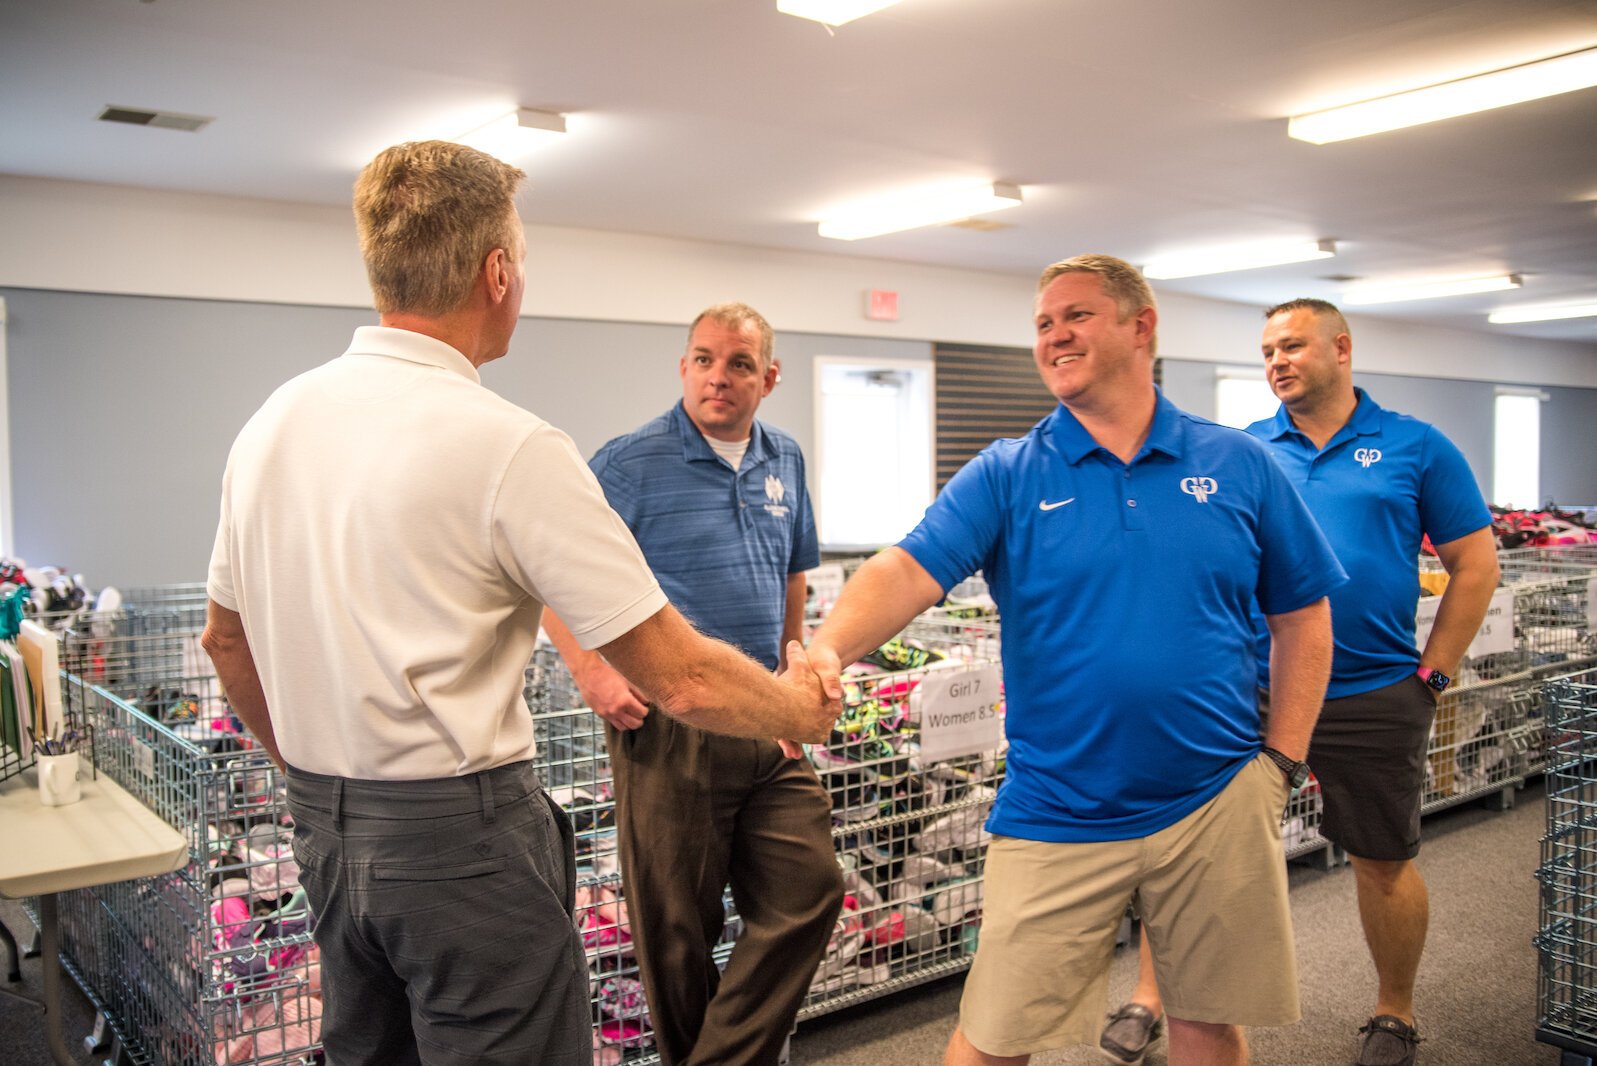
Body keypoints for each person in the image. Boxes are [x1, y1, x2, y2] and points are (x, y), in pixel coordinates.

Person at [200, 141, 839, 1066]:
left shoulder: (272, 424)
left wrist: (321, 784)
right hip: (460, 837)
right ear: (497, 271)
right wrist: (803, 706)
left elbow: (226, 642)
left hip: (327, 831)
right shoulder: (509, 444)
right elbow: (683, 678)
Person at [807, 254, 1344, 1066]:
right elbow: (905, 570)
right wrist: (825, 650)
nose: (1054, 335)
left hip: (1214, 796)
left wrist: (1281, 762)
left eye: (1076, 316)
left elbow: (1303, 615)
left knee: (1207, 1022)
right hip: (1056, 806)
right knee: (992, 1037)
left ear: (1140, 326)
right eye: (1042, 324)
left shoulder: (1237, 463)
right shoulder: (1009, 471)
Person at [1100, 298, 1499, 1066]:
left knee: (1382, 860)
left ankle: (1393, 1014)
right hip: (1247, 691)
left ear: (1340, 349)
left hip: (1373, 691)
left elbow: (1474, 567)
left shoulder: (1416, 446)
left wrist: (1433, 675)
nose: (1276, 361)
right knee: (1183, 851)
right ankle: (1149, 998)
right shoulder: (1243, 451)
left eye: (1291, 346)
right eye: (1265, 350)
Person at [541, 302, 844, 1066]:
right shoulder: (627, 460)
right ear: (684, 366)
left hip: (762, 722)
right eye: (704, 358)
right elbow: (546, 575)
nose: (719, 376)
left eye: (739, 363)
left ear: (767, 377)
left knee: (810, 889)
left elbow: (793, 575)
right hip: (666, 724)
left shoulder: (787, 459)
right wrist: (590, 668)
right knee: (677, 933)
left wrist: (788, 671)